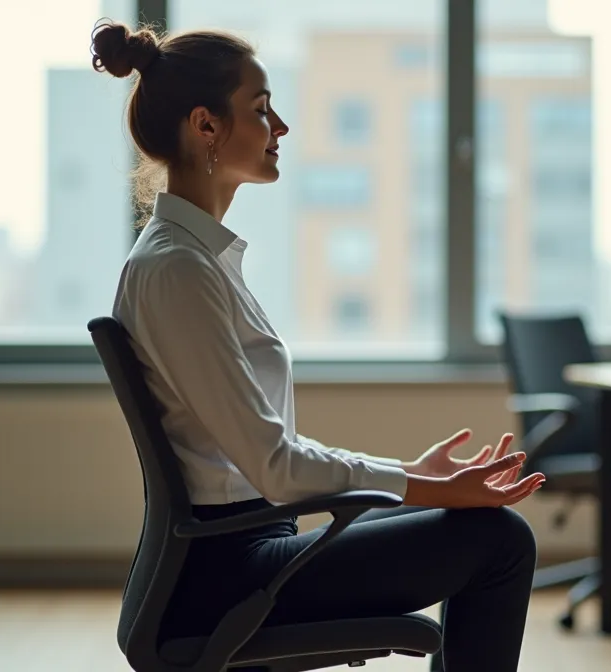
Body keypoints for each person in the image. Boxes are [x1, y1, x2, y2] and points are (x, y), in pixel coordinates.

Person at [93, 19, 546, 672]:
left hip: (250, 545)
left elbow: (266, 465)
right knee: (500, 540)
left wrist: (417, 479)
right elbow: (275, 465)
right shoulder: (178, 270)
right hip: (225, 577)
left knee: (476, 525)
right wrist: (416, 484)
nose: (281, 129)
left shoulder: (196, 260)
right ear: (207, 126)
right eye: (261, 111)